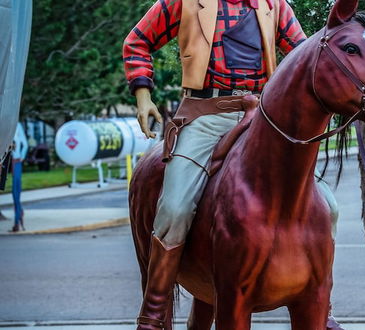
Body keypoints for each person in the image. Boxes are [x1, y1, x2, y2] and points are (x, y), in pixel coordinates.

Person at [123, 0, 339, 328]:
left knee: (329, 206)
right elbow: (137, 41)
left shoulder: (275, 5)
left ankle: (324, 306)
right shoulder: (183, 2)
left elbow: (304, 53)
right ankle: (153, 310)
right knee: (176, 207)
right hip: (205, 114)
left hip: (265, 116)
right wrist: (142, 94)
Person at [10, 123, 28, 232]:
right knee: (14, 193)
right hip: (5, 162)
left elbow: (25, 144)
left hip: (15, 162)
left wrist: (21, 156)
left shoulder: (17, 125)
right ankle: (20, 213)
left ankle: (17, 222)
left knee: (15, 193)